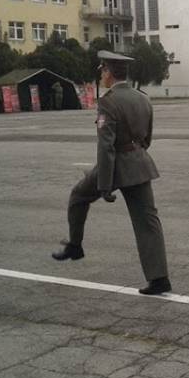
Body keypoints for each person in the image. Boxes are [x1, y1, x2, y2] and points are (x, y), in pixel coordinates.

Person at [52, 50, 171, 296]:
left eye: (102, 71)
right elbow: (147, 137)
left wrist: (105, 186)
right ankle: (159, 279)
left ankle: (75, 246)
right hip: (139, 163)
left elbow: (105, 147)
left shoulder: (108, 102)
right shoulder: (143, 98)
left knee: (78, 196)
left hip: (115, 165)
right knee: (148, 222)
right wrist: (135, 154)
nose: (102, 75)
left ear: (108, 73)